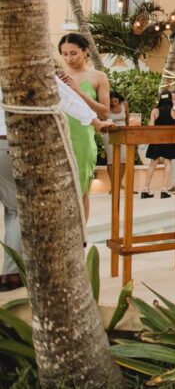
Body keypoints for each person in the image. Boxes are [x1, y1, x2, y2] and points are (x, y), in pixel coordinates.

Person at [0, 77, 110, 291]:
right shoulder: (25, 62)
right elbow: (64, 96)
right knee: (17, 210)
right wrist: (95, 121)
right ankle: (12, 274)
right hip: (11, 142)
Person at [57, 33, 110, 221]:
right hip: (57, 137)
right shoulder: (56, 78)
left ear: (85, 51)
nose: (69, 58)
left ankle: (81, 239)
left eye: (74, 53)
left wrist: (79, 92)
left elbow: (104, 113)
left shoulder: (98, 77)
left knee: (82, 191)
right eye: (65, 54)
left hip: (83, 139)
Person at [141, 92, 175, 199]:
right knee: (168, 163)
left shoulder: (155, 111)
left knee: (153, 164)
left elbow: (151, 126)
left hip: (156, 139)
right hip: (169, 139)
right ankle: (164, 189)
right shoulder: (174, 111)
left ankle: (146, 188)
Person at [105, 90, 129, 171]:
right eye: (111, 102)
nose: (114, 104)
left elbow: (127, 119)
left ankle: (119, 182)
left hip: (122, 133)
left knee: (123, 159)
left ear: (119, 99)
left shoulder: (124, 104)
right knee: (110, 160)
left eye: (116, 101)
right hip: (109, 133)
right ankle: (113, 183)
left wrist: (128, 132)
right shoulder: (106, 106)